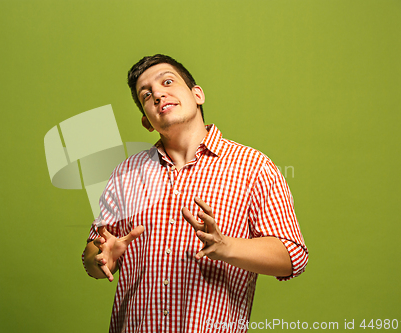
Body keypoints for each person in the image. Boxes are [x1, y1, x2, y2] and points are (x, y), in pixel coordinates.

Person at [82, 54, 308, 333]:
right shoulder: (125, 173)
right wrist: (100, 257)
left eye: (167, 81)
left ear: (197, 94)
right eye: (146, 94)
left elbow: (291, 257)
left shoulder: (253, 166)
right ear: (147, 121)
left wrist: (227, 247)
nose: (158, 94)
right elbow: (94, 253)